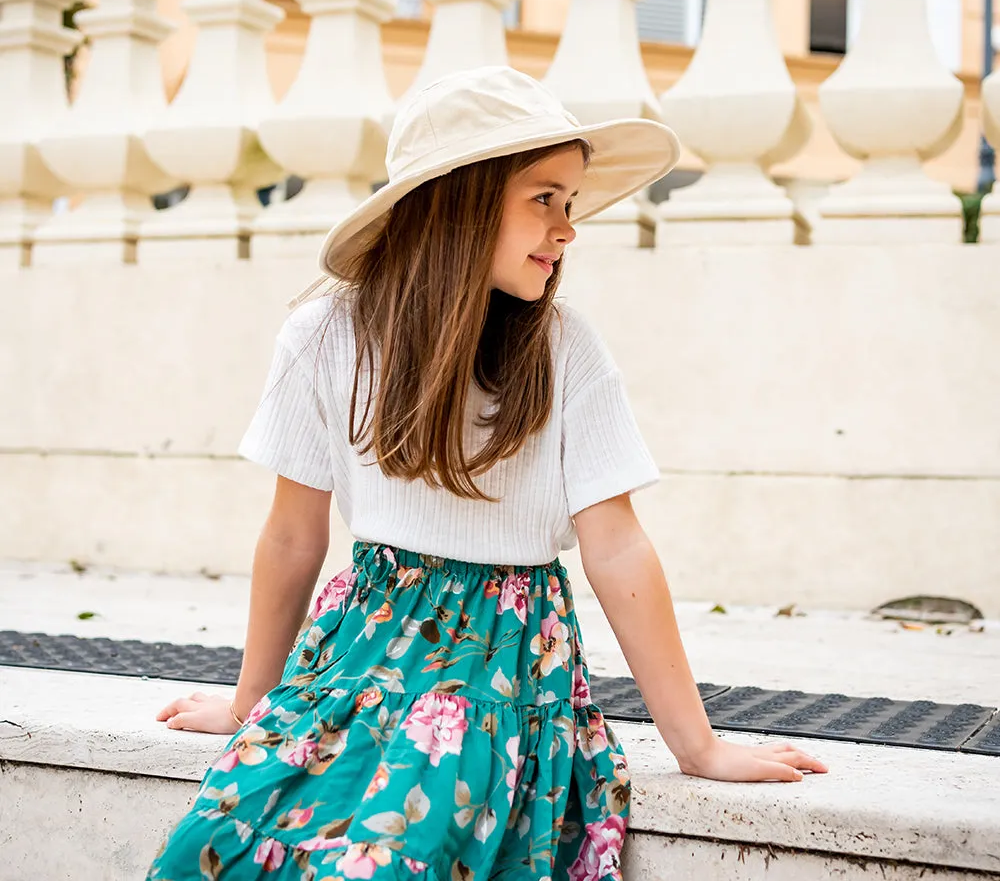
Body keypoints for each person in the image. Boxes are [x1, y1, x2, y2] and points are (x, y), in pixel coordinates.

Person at [147, 66, 827, 881]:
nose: (567, 228)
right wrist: (250, 704)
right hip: (354, 654)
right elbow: (294, 534)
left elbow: (616, 548)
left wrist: (698, 744)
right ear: (458, 201)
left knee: (396, 855)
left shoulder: (564, 350)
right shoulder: (324, 334)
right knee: (217, 845)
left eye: (570, 204)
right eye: (544, 198)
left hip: (504, 667)